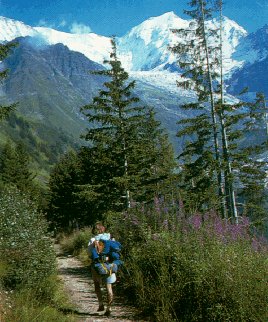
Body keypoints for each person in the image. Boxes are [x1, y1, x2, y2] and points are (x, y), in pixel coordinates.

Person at [88, 223, 115, 316]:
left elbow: (89, 254)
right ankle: (109, 308)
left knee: (97, 284)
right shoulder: (110, 238)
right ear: (103, 229)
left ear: (95, 230)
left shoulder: (93, 240)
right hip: (109, 264)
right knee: (109, 287)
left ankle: (101, 305)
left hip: (97, 265)